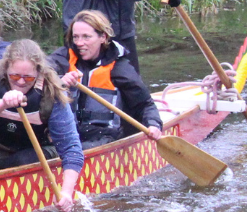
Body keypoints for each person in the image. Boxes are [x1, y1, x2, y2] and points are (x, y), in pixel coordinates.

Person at [0, 39, 86, 212]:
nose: (21, 82)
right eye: (15, 76)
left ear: (38, 73)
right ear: (6, 68)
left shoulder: (51, 90)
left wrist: (66, 193)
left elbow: (72, 149)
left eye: (28, 77)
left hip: (39, 151)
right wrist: (3, 104)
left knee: (20, 161)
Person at [48, 10, 163, 147]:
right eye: (76, 37)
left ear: (103, 37)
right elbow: (39, 73)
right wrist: (59, 81)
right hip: (68, 132)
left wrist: (153, 124)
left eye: (86, 37)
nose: (79, 43)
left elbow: (145, 104)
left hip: (104, 136)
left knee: (78, 148)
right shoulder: (63, 58)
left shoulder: (119, 68)